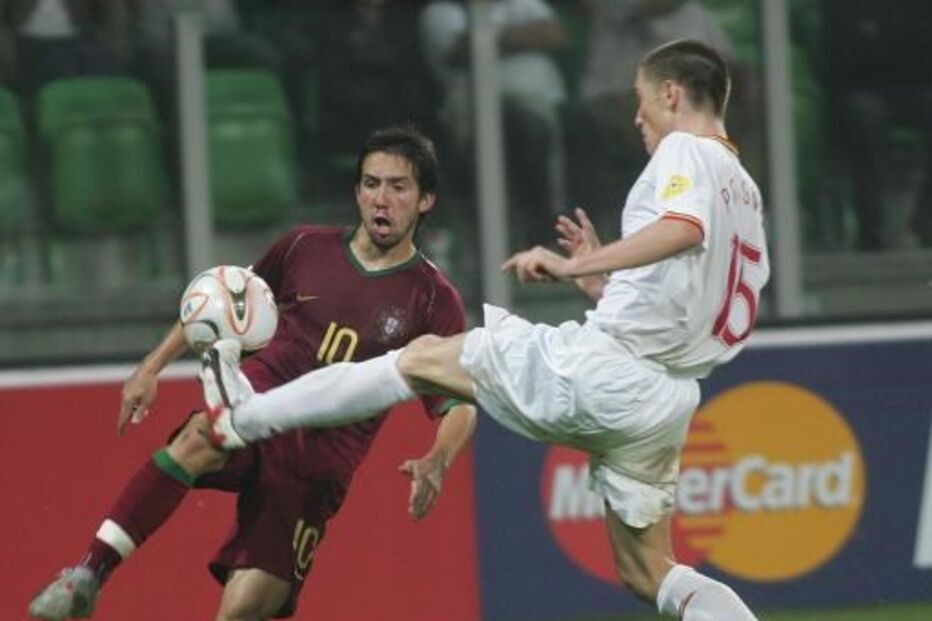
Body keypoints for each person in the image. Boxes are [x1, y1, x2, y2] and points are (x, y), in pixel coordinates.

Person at [202, 40, 769, 620]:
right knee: (649, 573)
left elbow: (683, 229)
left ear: (670, 94)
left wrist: (571, 266)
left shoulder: (684, 149)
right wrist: (604, 286)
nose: (637, 117)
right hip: (665, 401)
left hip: (607, 373)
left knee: (419, 357)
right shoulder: (744, 190)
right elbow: (691, 294)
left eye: (641, 100)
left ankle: (247, 416)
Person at [27, 125, 477, 621]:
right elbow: (221, 300)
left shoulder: (433, 300)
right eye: (371, 184)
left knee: (244, 609)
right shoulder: (304, 246)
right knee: (202, 437)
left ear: (426, 200)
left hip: (318, 463)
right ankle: (89, 572)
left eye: (398, 186)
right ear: (356, 192)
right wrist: (150, 367)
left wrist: (438, 460)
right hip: (259, 401)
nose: (381, 199)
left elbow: (458, 402)